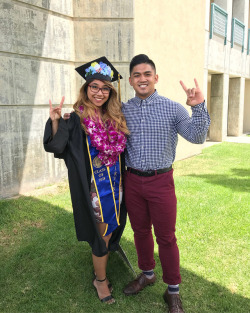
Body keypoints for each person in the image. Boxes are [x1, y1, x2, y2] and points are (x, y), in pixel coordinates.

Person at [122, 54, 211, 313]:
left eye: (147, 74)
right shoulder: (123, 109)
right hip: (133, 181)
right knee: (140, 231)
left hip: (161, 181)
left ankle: (172, 291)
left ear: (155, 78)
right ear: (130, 80)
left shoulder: (173, 108)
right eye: (137, 75)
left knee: (166, 238)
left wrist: (198, 107)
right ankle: (147, 273)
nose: (142, 79)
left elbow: (196, 136)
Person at [43, 56, 129, 304]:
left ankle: (100, 266)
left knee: (111, 226)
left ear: (110, 91)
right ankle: (100, 280)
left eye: (104, 88)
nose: (99, 93)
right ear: (86, 88)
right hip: (94, 187)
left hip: (116, 184)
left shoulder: (115, 116)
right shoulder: (77, 119)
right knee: (100, 230)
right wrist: (56, 120)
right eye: (94, 87)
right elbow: (57, 146)